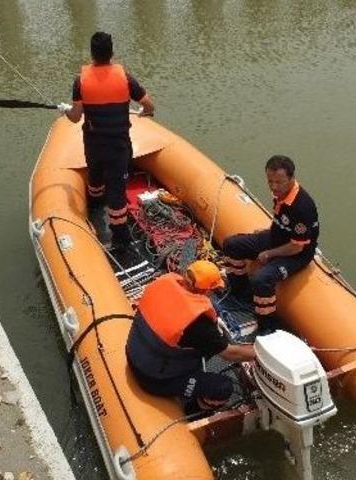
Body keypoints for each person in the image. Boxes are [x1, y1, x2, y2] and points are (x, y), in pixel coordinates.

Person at [57, 31, 155, 251]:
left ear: (92, 54)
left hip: (94, 144)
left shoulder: (80, 81)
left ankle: (94, 210)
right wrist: (143, 111)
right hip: (118, 146)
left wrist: (65, 110)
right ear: (112, 53)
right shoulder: (126, 78)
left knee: (95, 179)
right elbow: (150, 106)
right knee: (117, 192)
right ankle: (120, 239)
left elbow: (75, 117)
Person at [126, 260, 256, 412]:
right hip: (154, 379)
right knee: (223, 387)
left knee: (210, 345)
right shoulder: (198, 323)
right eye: (212, 290)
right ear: (204, 290)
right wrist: (258, 354)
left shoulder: (163, 283)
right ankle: (195, 409)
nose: (212, 294)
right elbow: (230, 354)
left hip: (138, 353)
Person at [221, 155, 319, 335]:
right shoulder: (281, 194)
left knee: (262, 279)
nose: (273, 187)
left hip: (296, 253)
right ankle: (241, 293)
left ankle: (267, 324)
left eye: (279, 182)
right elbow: (282, 221)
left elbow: (297, 247)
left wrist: (269, 254)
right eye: (270, 181)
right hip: (276, 237)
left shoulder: (302, 207)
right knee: (231, 245)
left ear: (291, 178)